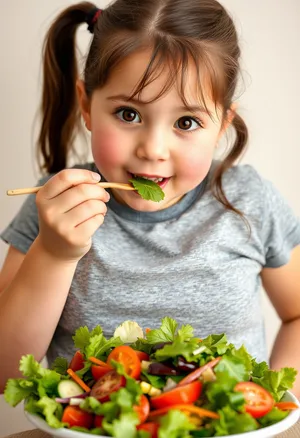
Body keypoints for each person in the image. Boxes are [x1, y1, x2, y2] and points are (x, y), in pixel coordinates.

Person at [0, 0, 300, 396]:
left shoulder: (249, 201)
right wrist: (53, 253)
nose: (153, 149)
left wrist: (279, 403)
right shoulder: (56, 207)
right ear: (87, 106)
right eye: (128, 114)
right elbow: (6, 376)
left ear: (222, 125)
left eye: (186, 122)